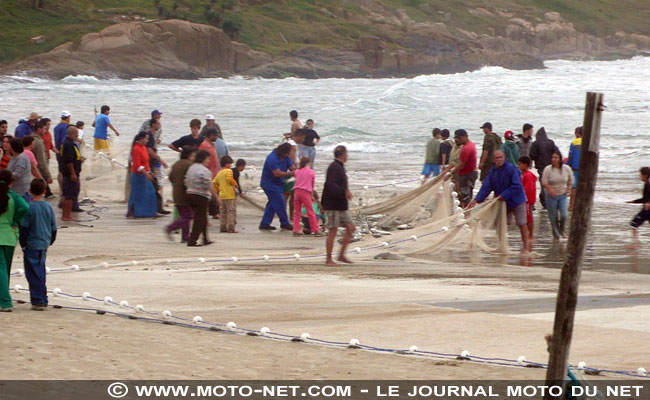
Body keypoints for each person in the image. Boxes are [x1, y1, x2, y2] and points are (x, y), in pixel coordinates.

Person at [469, 150, 529, 254]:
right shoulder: (493, 171)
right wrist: (476, 200)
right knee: (499, 223)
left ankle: (526, 248)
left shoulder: (511, 169)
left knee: (522, 223)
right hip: (503, 202)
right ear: (494, 160)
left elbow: (517, 186)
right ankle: (502, 245)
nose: (499, 159)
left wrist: (504, 195)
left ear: (504, 158)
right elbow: (486, 187)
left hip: (517, 200)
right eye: (497, 158)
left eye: (501, 157)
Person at [19, 179, 57, 311]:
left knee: (32, 272)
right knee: (40, 271)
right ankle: (43, 298)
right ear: (44, 191)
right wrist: (50, 241)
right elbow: (53, 227)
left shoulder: (29, 207)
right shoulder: (48, 207)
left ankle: (38, 300)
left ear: (30, 191)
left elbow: (24, 228)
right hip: (44, 243)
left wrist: (22, 243)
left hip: (32, 243)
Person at [0, 170, 29, 312]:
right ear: (11, 182)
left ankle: (5, 302)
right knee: (6, 269)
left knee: (1, 270)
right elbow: (25, 207)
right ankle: (4, 298)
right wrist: (16, 220)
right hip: (10, 235)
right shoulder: (14, 197)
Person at [322, 145, 355, 266]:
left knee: (351, 227)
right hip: (333, 204)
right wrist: (344, 192)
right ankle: (328, 259)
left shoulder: (339, 167)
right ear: (342, 154)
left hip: (341, 204)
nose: (348, 156)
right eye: (346, 154)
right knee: (333, 230)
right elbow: (330, 185)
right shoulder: (334, 167)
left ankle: (341, 255)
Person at [259, 143, 295, 231]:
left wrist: (300, 171)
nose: (288, 155)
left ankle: (265, 223)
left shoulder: (286, 157)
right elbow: (277, 173)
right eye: (287, 153)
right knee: (280, 202)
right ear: (283, 152)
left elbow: (292, 168)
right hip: (269, 183)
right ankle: (284, 223)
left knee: (272, 203)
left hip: (279, 183)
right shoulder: (272, 158)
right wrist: (291, 174)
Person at [185, 150, 217, 247]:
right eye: (208, 159)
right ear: (203, 159)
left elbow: (186, 180)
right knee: (200, 218)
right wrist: (216, 196)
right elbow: (208, 184)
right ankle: (192, 240)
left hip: (190, 193)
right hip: (201, 195)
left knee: (202, 217)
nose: (209, 161)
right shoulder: (204, 170)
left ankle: (205, 238)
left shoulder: (192, 167)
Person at [165, 146, 197, 243]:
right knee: (188, 216)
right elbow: (192, 179)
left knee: (184, 215)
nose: (194, 157)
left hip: (176, 192)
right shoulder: (189, 165)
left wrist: (176, 185)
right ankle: (170, 228)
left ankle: (185, 237)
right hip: (185, 194)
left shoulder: (176, 164)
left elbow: (170, 177)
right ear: (189, 155)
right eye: (193, 155)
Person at [542, 151, 574, 243]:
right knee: (553, 216)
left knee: (564, 215)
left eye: (556, 158)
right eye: (552, 157)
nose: (554, 159)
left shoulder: (566, 168)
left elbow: (571, 179)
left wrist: (569, 189)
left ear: (560, 159)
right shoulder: (548, 169)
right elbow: (544, 181)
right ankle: (556, 235)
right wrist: (550, 189)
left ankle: (562, 230)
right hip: (551, 195)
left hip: (563, 194)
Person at [127, 132, 157, 219]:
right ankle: (133, 213)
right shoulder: (136, 148)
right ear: (141, 138)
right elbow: (137, 164)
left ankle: (148, 212)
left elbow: (146, 162)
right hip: (137, 175)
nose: (147, 140)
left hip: (145, 174)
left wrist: (150, 172)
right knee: (136, 196)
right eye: (146, 138)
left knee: (150, 193)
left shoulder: (144, 147)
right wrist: (145, 173)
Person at [444, 129, 477, 207]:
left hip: (467, 175)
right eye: (456, 138)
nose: (457, 139)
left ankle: (466, 215)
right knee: (467, 196)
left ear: (465, 136)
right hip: (471, 173)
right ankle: (466, 213)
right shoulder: (471, 145)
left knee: (465, 198)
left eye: (459, 138)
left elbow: (461, 164)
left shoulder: (465, 149)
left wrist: (450, 173)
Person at [143, 118, 169, 215]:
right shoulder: (149, 135)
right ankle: (157, 207)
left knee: (154, 185)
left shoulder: (152, 135)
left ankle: (156, 207)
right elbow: (150, 150)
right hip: (150, 163)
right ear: (153, 124)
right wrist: (160, 160)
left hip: (151, 162)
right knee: (154, 185)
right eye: (158, 124)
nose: (159, 125)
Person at [529, 127, 559, 209]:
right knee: (551, 184)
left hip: (541, 167)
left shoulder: (535, 143)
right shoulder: (551, 142)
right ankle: (552, 202)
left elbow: (532, 155)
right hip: (551, 166)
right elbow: (557, 153)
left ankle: (545, 203)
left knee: (544, 185)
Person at [293, 156, 321, 237]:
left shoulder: (297, 171)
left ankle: (295, 229)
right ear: (308, 163)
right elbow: (312, 185)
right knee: (310, 211)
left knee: (297, 212)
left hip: (297, 192)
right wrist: (311, 195)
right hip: (306, 192)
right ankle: (315, 230)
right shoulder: (311, 172)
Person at [60, 126, 83, 222]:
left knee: (67, 194)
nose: (77, 136)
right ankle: (67, 215)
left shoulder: (67, 143)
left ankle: (65, 214)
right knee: (70, 195)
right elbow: (69, 161)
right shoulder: (68, 144)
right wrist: (73, 173)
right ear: (71, 134)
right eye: (76, 135)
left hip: (68, 173)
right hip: (70, 175)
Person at [213, 155, 238, 233]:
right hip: (229, 195)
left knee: (223, 212)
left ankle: (223, 227)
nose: (231, 165)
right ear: (227, 164)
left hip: (222, 195)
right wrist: (235, 183)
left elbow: (214, 182)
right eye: (230, 164)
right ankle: (231, 227)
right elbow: (229, 178)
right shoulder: (229, 171)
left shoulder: (219, 172)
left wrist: (218, 190)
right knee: (231, 211)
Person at [200, 128, 220, 219]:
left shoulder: (211, 145)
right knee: (208, 196)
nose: (217, 137)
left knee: (213, 194)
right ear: (211, 135)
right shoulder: (204, 145)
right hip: (208, 174)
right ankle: (209, 214)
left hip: (214, 174)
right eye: (215, 135)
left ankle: (214, 212)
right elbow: (201, 160)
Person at [627, 167, 650, 243]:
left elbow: (646, 199)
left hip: (647, 210)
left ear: (645, 175)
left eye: (640, 175)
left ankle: (635, 242)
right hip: (647, 209)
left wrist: (648, 203)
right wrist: (633, 201)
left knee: (634, 223)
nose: (640, 176)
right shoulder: (647, 183)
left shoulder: (648, 184)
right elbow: (644, 199)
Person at [518, 156, 537, 250]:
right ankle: (530, 235)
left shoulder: (528, 175)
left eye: (520, 164)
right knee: (528, 217)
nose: (519, 166)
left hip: (527, 200)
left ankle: (531, 235)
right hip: (528, 200)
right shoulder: (526, 174)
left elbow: (528, 189)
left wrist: (525, 199)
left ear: (525, 164)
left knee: (529, 218)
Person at [567, 126, 582, 212]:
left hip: (575, 166)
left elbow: (571, 156)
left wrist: (568, 165)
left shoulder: (574, 142)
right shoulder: (587, 142)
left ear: (577, 133)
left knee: (574, 187)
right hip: (585, 167)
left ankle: (571, 206)